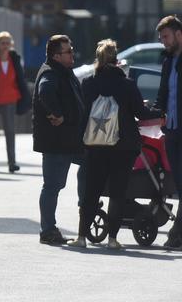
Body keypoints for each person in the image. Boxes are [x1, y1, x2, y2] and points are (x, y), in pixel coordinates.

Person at [68, 39, 163, 249]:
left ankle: (82, 237)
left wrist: (79, 141)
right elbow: (141, 113)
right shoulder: (127, 84)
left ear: (98, 59)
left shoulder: (89, 83)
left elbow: (84, 116)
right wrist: (160, 112)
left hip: (95, 145)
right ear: (117, 60)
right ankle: (112, 239)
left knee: (91, 191)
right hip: (124, 147)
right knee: (118, 193)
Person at [33, 34, 84, 245]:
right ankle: (48, 230)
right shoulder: (50, 72)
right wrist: (57, 113)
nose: (72, 54)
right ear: (56, 55)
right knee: (52, 185)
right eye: (68, 51)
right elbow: (45, 92)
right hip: (57, 141)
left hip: (70, 138)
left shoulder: (63, 71)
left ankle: (86, 215)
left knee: (88, 171)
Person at [0, 31, 31, 173]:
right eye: (2, 43)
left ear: (11, 45)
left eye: (7, 43)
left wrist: (25, 96)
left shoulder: (15, 58)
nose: (5, 46)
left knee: (10, 131)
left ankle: (12, 163)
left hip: (10, 99)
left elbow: (20, 79)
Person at [154, 15, 182, 249]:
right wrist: (153, 111)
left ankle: (177, 234)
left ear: (178, 35)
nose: (163, 41)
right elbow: (163, 94)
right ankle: (177, 234)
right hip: (172, 129)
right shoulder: (168, 62)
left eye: (166, 37)